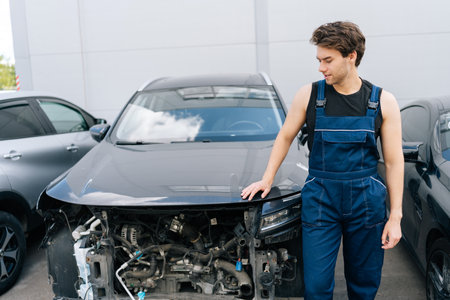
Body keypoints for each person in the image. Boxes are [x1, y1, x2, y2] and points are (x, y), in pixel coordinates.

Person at [241, 21, 403, 299]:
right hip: (321, 200)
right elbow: (284, 137)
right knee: (315, 287)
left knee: (364, 285)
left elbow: (394, 162)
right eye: (319, 60)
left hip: (366, 201)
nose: (321, 67)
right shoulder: (310, 95)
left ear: (351, 56)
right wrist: (267, 179)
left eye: (328, 60)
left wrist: (396, 216)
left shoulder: (383, 101)